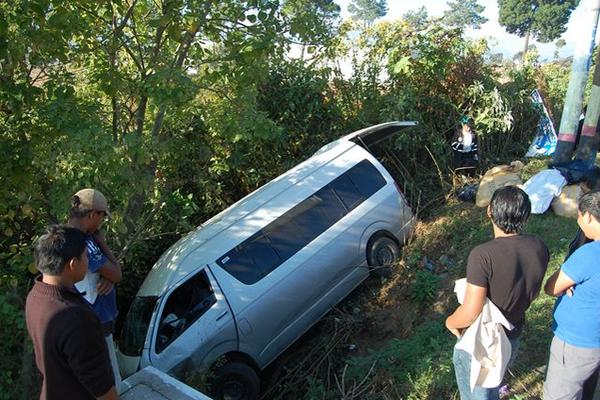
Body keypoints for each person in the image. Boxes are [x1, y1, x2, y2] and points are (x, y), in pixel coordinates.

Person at [446, 186, 549, 399]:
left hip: (483, 345)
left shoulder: (482, 255)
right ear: (526, 215)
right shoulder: (539, 246)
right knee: (496, 379)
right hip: (513, 335)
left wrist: (451, 322)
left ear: (490, 211)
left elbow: (471, 311)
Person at [25, 225, 119, 400]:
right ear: (73, 264)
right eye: (85, 256)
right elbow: (102, 389)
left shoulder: (35, 296)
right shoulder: (76, 317)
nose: (88, 261)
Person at [543, 191, 600, 400]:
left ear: (587, 217)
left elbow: (551, 288)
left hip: (578, 343)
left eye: (579, 216)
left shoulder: (588, 254)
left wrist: (568, 273)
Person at [68, 188, 122, 388]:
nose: (101, 222)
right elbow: (117, 272)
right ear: (92, 214)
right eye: (101, 217)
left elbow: (111, 274)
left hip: (95, 316)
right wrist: (102, 241)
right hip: (95, 319)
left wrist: (109, 276)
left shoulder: (74, 236)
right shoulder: (84, 242)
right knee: (110, 381)